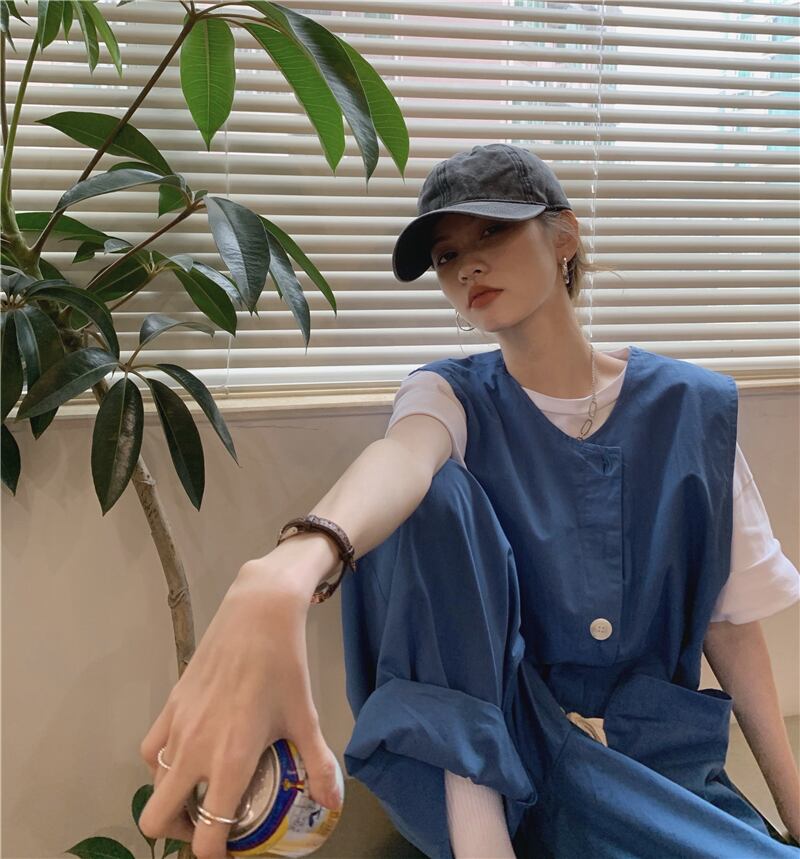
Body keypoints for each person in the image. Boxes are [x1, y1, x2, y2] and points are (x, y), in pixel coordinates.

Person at [137, 143, 800, 859]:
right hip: (509, 772)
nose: (467, 266)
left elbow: (731, 625)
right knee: (433, 494)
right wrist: (290, 568)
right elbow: (403, 457)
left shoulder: (692, 407)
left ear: (564, 235)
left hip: (660, 769)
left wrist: (793, 808)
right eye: (447, 255)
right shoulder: (446, 395)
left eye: (493, 231)